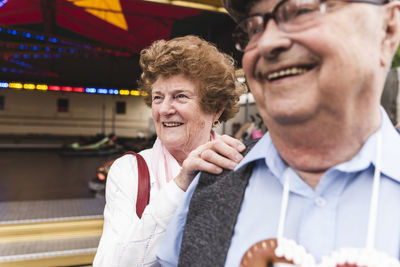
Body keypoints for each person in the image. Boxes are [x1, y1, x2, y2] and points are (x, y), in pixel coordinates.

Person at [157, 0, 400, 266]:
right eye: (255, 26)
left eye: (301, 11)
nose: (267, 43)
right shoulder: (210, 187)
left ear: (387, 29)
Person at [93, 35, 246, 267]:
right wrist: (181, 184)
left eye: (180, 96)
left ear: (215, 108)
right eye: (158, 97)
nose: (164, 109)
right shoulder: (130, 171)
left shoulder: (241, 167)